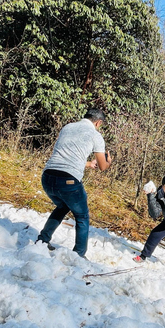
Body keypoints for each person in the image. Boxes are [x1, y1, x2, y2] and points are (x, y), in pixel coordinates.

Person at [37, 109, 112, 258]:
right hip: (68, 182)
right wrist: (108, 162)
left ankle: (42, 240)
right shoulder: (95, 136)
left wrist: (88, 164)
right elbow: (103, 167)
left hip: (47, 177)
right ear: (98, 122)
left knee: (62, 206)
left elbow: (65, 156)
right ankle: (78, 255)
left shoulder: (68, 127)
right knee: (82, 216)